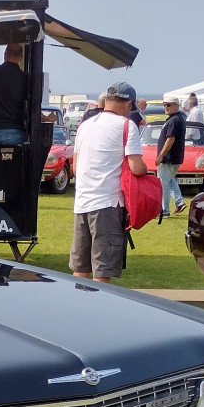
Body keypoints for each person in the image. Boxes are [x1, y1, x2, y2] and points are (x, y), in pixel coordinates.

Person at [69, 82, 147, 284]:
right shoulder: (126, 125)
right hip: (108, 204)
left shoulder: (85, 125)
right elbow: (136, 167)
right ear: (127, 104)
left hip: (82, 203)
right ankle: (98, 305)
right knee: (102, 270)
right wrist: (146, 169)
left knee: (81, 268)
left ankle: (77, 303)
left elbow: (75, 168)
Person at [155, 96, 188, 216]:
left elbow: (170, 139)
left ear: (176, 106)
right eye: (164, 105)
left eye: (168, 105)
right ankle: (179, 202)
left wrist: (161, 155)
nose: (166, 107)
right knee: (170, 181)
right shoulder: (176, 119)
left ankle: (165, 210)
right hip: (174, 157)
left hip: (168, 158)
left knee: (163, 184)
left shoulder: (174, 120)